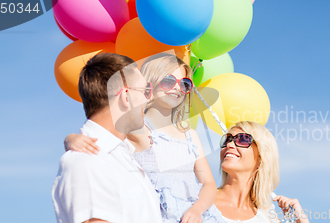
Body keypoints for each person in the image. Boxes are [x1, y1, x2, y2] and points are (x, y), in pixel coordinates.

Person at [64, 53, 225, 223]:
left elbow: (208, 183)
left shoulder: (190, 134)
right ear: (151, 84)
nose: (177, 88)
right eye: (169, 81)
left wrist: (197, 210)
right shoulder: (139, 127)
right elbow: (103, 133)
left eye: (184, 84)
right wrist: (70, 139)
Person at [52, 53, 162, 223]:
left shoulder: (124, 158)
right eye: (145, 90)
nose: (149, 98)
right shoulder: (88, 162)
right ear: (126, 97)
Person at [215, 121, 309, 223]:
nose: (229, 145)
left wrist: (301, 220)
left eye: (242, 139)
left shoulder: (268, 218)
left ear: (261, 156)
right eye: (227, 140)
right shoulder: (199, 200)